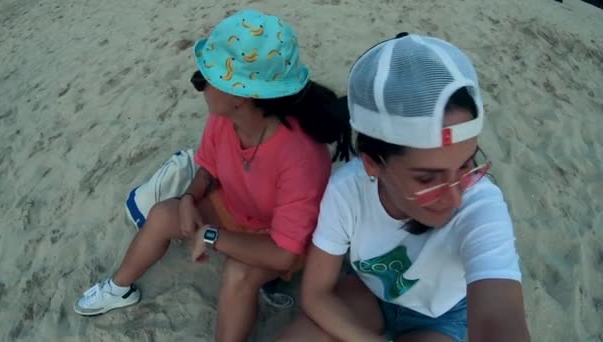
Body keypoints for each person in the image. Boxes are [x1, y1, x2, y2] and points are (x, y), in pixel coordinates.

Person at [73, 9, 352, 342]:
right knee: (163, 214)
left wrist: (210, 237)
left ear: (239, 94)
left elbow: (284, 251)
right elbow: (208, 166)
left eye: (202, 79)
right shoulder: (225, 118)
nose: (200, 85)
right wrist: (190, 197)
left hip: (284, 239)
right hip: (237, 210)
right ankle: (119, 288)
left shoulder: (300, 155)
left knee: (238, 273)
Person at [277, 33, 530, 342]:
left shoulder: (480, 203)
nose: (454, 197)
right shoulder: (348, 190)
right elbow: (316, 294)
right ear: (373, 164)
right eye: (427, 179)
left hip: (443, 316)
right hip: (370, 294)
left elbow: (497, 318)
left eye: (466, 165)